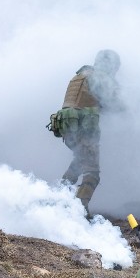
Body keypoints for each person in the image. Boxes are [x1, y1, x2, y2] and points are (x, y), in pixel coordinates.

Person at [55, 49, 122, 215]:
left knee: (79, 162)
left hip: (66, 126)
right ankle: (79, 211)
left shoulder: (80, 75)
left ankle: (57, 200)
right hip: (83, 128)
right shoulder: (100, 78)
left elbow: (84, 100)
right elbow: (114, 103)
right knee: (92, 172)